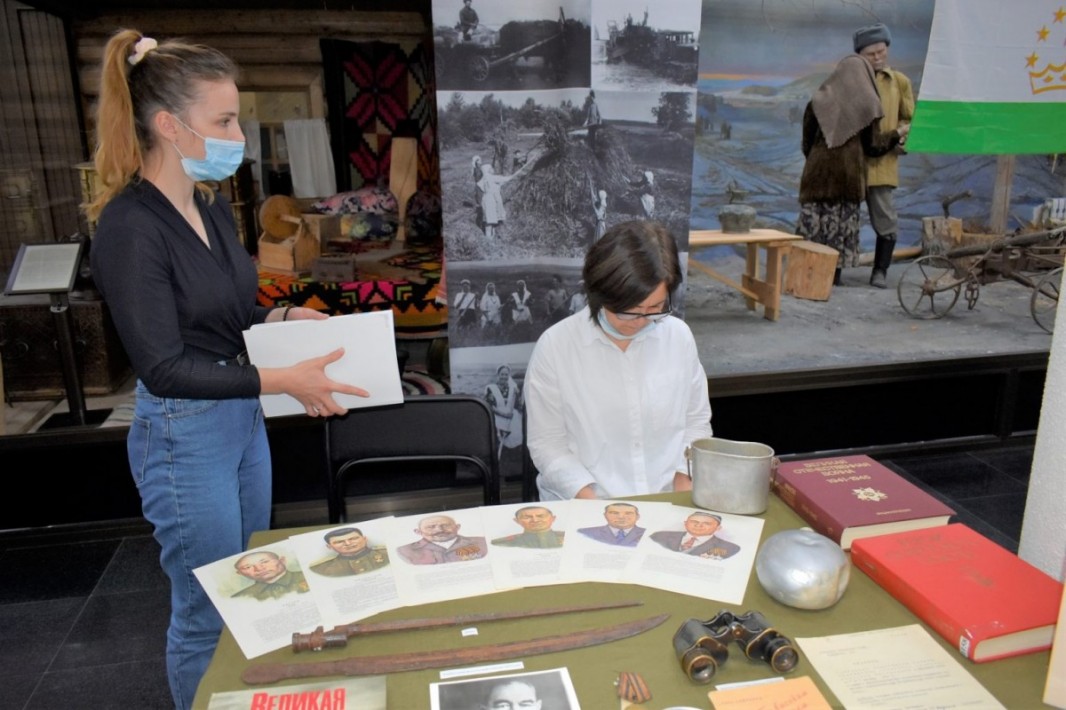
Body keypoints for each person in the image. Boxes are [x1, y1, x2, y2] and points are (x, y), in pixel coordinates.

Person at [84, 30, 369, 708]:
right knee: (204, 610)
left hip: (238, 418)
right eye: (224, 122)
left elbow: (227, 315)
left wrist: (283, 316)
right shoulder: (129, 228)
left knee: (252, 585)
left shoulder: (208, 206)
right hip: (183, 433)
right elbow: (164, 366)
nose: (238, 136)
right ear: (168, 125)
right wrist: (284, 380)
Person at [525, 221, 712, 500]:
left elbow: (696, 423)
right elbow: (548, 445)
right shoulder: (556, 347)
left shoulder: (678, 338)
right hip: (587, 504)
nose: (640, 321)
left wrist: (684, 484)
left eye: (655, 308)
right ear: (601, 294)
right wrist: (595, 505)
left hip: (666, 500)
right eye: (628, 310)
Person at [795, 54, 905, 286]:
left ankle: (806, 274)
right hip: (847, 180)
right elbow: (874, 146)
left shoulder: (817, 101)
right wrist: (896, 134)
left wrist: (818, 164)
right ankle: (832, 277)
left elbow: (806, 143)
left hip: (816, 178)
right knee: (839, 228)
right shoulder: (867, 105)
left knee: (814, 226)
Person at [853, 23, 915, 289]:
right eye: (871, 54)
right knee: (844, 219)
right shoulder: (852, 82)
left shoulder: (899, 82)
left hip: (882, 164)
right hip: (852, 165)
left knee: (886, 219)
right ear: (860, 55)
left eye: (881, 51)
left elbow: (908, 118)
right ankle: (835, 269)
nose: (877, 58)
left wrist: (901, 138)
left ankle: (880, 270)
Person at [396, 514, 488, 564]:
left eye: (446, 525)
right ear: (418, 532)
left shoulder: (482, 542)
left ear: (457, 527)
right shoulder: (405, 550)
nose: (439, 530)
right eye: (431, 527)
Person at [650, 512, 741, 559]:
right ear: (685, 523)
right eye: (694, 522)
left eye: (707, 523)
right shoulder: (659, 536)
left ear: (718, 528)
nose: (698, 525)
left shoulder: (730, 548)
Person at [309, 527, 390, 577]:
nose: (348, 544)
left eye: (353, 539)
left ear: (365, 539)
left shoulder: (388, 553)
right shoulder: (321, 569)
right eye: (339, 542)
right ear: (329, 547)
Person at [231, 550, 310, 600]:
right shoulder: (241, 597)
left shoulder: (309, 576)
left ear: (282, 560)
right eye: (248, 567)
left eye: (265, 562)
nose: (259, 569)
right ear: (240, 573)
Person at [491, 505, 565, 548]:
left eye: (541, 516)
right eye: (527, 517)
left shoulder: (568, 537)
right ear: (517, 521)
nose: (535, 520)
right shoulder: (503, 544)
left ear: (553, 518)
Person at [485, 364, 521, 450]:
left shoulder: (513, 388)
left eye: (506, 374)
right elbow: (490, 406)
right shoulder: (491, 388)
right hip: (498, 416)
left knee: (515, 438)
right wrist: (504, 415)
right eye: (502, 374)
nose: (504, 377)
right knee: (499, 438)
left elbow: (517, 405)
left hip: (512, 417)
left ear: (509, 376)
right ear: (498, 375)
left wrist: (517, 395)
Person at [577, 503, 645, 546]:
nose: (621, 517)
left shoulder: (647, 533)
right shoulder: (585, 533)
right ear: (605, 515)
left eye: (628, 513)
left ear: (637, 516)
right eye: (615, 513)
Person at [478, 163, 512, 239]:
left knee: (491, 218)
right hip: (490, 200)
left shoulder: (486, 178)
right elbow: (503, 179)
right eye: (491, 168)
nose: (493, 169)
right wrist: (511, 177)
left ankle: (491, 237)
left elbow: (496, 184)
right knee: (489, 219)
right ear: (488, 170)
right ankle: (488, 238)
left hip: (487, 199)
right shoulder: (491, 177)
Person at [472, 155, 485, 232]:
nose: (480, 162)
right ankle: (480, 221)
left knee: (481, 200)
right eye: (479, 161)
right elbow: (477, 178)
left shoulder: (479, 169)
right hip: (479, 186)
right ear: (477, 163)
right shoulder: (477, 170)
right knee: (480, 201)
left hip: (480, 186)